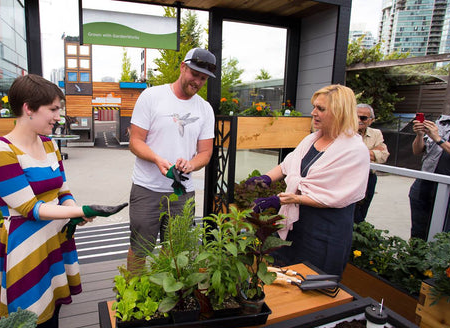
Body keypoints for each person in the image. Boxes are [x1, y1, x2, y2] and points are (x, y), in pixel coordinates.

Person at [0, 74, 126, 328]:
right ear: (28, 108)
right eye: (53, 109)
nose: (58, 116)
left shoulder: (49, 144)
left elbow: (63, 190)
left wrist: (73, 208)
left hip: (55, 240)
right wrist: (83, 211)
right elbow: (31, 209)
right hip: (28, 247)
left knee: (52, 317)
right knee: (30, 323)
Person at [246, 84, 369, 276]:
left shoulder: (354, 150)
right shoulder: (312, 140)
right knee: (286, 276)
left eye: (321, 109)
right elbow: (289, 165)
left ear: (339, 112)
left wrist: (286, 199)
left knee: (314, 284)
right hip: (296, 225)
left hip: (325, 231)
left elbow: (337, 196)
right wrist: (265, 179)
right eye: (314, 107)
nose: (313, 113)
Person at [126, 48, 216, 274]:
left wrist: (191, 164)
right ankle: (134, 296)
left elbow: (205, 152)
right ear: (183, 67)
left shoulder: (205, 109)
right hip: (147, 188)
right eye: (194, 74)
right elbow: (135, 141)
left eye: (203, 78)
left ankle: (165, 293)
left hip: (182, 192)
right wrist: (156, 158)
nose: (197, 81)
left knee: (175, 249)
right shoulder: (151, 96)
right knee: (140, 248)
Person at [409, 89, 450, 240]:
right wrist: (420, 135)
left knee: (443, 234)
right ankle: (414, 261)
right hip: (426, 183)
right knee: (418, 231)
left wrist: (439, 139)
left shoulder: (438, 132)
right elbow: (417, 150)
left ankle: (435, 264)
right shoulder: (442, 123)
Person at [354, 104, 390, 223]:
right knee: (351, 212)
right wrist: (373, 152)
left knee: (362, 213)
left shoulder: (376, 133)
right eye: (356, 116)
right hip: (350, 177)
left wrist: (357, 153)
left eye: (363, 118)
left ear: (371, 120)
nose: (359, 120)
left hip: (369, 177)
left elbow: (384, 155)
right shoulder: (345, 132)